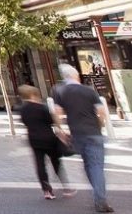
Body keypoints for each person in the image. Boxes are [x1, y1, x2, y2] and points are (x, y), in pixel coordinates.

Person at [53, 63, 112, 213]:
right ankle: (100, 199)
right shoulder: (88, 90)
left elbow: (57, 113)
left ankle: (99, 197)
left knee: (88, 165)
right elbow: (101, 112)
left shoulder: (60, 91)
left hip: (78, 134)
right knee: (96, 166)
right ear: (77, 75)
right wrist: (100, 125)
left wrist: (60, 130)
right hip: (94, 132)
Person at [18, 84, 71, 200]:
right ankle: (66, 188)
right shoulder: (41, 107)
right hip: (48, 138)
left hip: (33, 138)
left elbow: (24, 122)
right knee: (56, 163)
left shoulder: (22, 109)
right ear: (32, 95)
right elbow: (53, 121)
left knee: (40, 164)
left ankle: (47, 190)